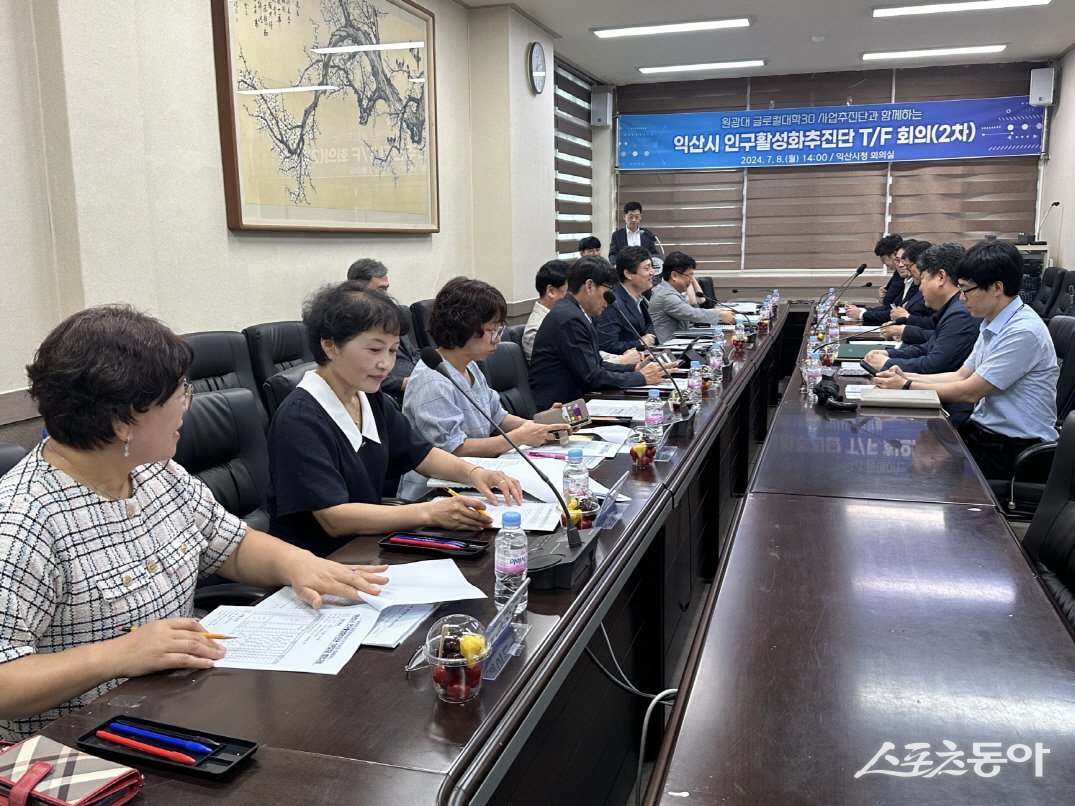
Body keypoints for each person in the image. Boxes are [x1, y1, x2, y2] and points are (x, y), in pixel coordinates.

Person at [0, 305, 385, 739]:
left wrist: (298, 564)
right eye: (179, 394)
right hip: (81, 749)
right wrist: (117, 656)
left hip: (177, 709)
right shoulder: (21, 524)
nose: (188, 404)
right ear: (124, 421)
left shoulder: (154, 470)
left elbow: (231, 543)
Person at [266, 282, 523, 558]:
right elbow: (334, 518)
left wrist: (475, 474)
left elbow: (421, 454)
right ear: (330, 346)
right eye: (375, 350)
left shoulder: (368, 397)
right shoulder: (301, 416)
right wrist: (428, 512)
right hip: (318, 564)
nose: (386, 364)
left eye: (392, 350)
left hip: (369, 548)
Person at [872, 241, 1059, 479]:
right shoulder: (992, 321)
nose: (961, 298)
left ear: (996, 288)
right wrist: (904, 375)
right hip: (984, 436)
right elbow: (961, 374)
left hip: (1013, 449)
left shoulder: (1022, 332)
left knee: (921, 478)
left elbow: (970, 391)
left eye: (966, 290)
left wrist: (906, 387)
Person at [399, 279, 567, 500]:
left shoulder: (470, 367)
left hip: (476, 478)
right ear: (463, 327)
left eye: (500, 329)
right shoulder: (432, 381)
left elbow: (498, 417)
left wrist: (539, 426)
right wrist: (520, 436)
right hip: (435, 493)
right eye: (492, 329)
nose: (497, 339)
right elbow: (454, 449)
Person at [862, 243, 979, 425]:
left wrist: (888, 364)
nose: (920, 287)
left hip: (952, 411)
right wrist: (889, 354)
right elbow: (928, 346)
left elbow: (934, 365)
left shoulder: (960, 312)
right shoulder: (951, 308)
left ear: (941, 277)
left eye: (922, 279)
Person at [528, 256, 666, 410]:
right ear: (589, 286)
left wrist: (634, 368)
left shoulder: (577, 312)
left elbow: (597, 365)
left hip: (577, 402)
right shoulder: (569, 319)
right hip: (559, 409)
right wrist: (641, 378)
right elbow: (592, 377)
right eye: (608, 291)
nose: (608, 301)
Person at [523, 259, 640, 366]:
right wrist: (622, 361)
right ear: (551, 291)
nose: (573, 294)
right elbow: (579, 364)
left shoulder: (572, 315)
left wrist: (621, 358)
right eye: (569, 290)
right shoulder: (537, 329)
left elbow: (590, 353)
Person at [346, 259, 418, 402]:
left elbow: (412, 352)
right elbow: (359, 374)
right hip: (397, 396)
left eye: (386, 289)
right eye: (381, 290)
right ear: (359, 289)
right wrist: (404, 383)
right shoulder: (352, 324)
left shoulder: (391, 315)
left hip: (418, 385)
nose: (386, 295)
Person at [648, 252, 734, 343]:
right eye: (689, 275)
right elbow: (692, 313)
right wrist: (720, 316)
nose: (691, 279)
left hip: (680, 341)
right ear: (674, 275)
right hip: (670, 348)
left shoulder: (669, 291)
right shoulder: (665, 295)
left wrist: (719, 312)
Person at [847, 240, 932, 326]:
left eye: (906, 263)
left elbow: (931, 325)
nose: (901, 265)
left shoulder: (918, 284)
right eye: (898, 261)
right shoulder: (906, 279)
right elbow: (893, 307)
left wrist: (862, 314)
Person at [596, 246, 657, 354]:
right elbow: (606, 346)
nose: (653, 272)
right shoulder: (613, 302)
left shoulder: (642, 298)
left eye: (652, 267)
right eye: (647, 268)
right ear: (628, 274)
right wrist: (640, 342)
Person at [874, 233, 905, 306]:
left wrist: (861, 313)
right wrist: (884, 296)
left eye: (884, 259)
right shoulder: (897, 273)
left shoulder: (903, 275)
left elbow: (889, 303)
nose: (884, 264)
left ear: (894, 254)